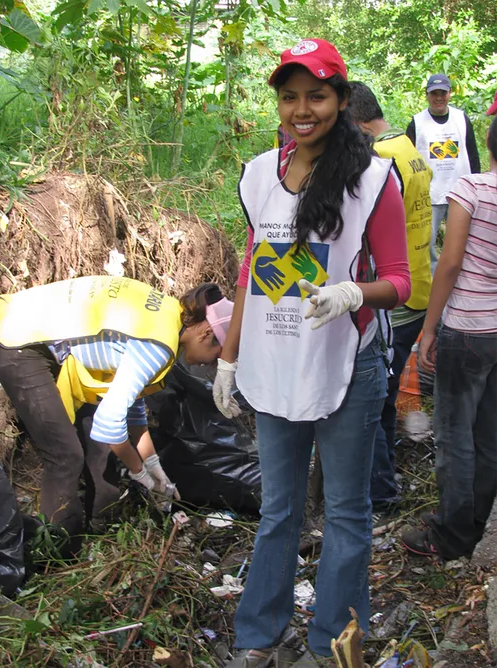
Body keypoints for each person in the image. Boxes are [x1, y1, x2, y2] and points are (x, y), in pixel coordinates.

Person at [213, 39, 411, 664]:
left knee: (348, 514)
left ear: (342, 100)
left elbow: (403, 279)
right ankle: (257, 637)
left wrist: (352, 292)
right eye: (290, 96)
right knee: (279, 510)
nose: (303, 109)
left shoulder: (374, 178)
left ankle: (333, 645)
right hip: (274, 364)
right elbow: (252, 270)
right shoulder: (257, 175)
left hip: (348, 365)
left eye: (317, 95)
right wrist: (228, 355)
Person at [0, 276, 232, 544]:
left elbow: (130, 406)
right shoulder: (160, 345)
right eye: (216, 358)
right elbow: (109, 423)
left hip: (38, 332)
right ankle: (57, 549)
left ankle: (98, 531)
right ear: (207, 334)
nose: (207, 366)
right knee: (65, 456)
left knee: (97, 449)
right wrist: (139, 472)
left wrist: (154, 466)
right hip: (19, 337)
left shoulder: (169, 318)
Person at [402, 115, 497, 560]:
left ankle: (451, 536)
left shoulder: (472, 189)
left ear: (488, 145)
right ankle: (476, 524)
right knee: (489, 435)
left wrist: (428, 327)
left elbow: (451, 261)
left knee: (455, 435)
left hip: (467, 330)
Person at [348, 81, 432, 514]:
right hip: (420, 284)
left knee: (376, 401)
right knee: (388, 391)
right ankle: (387, 476)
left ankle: (380, 492)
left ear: (355, 122)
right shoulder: (410, 150)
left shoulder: (379, 160)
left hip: (391, 298)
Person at [406, 73, 480, 273]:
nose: (439, 98)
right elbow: (407, 158)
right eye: (434, 93)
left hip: (461, 191)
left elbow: (472, 153)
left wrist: (477, 186)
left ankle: (462, 277)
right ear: (427, 95)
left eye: (443, 93)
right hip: (430, 194)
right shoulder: (417, 122)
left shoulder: (461, 119)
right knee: (426, 243)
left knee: (464, 241)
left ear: (450, 94)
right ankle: (433, 279)